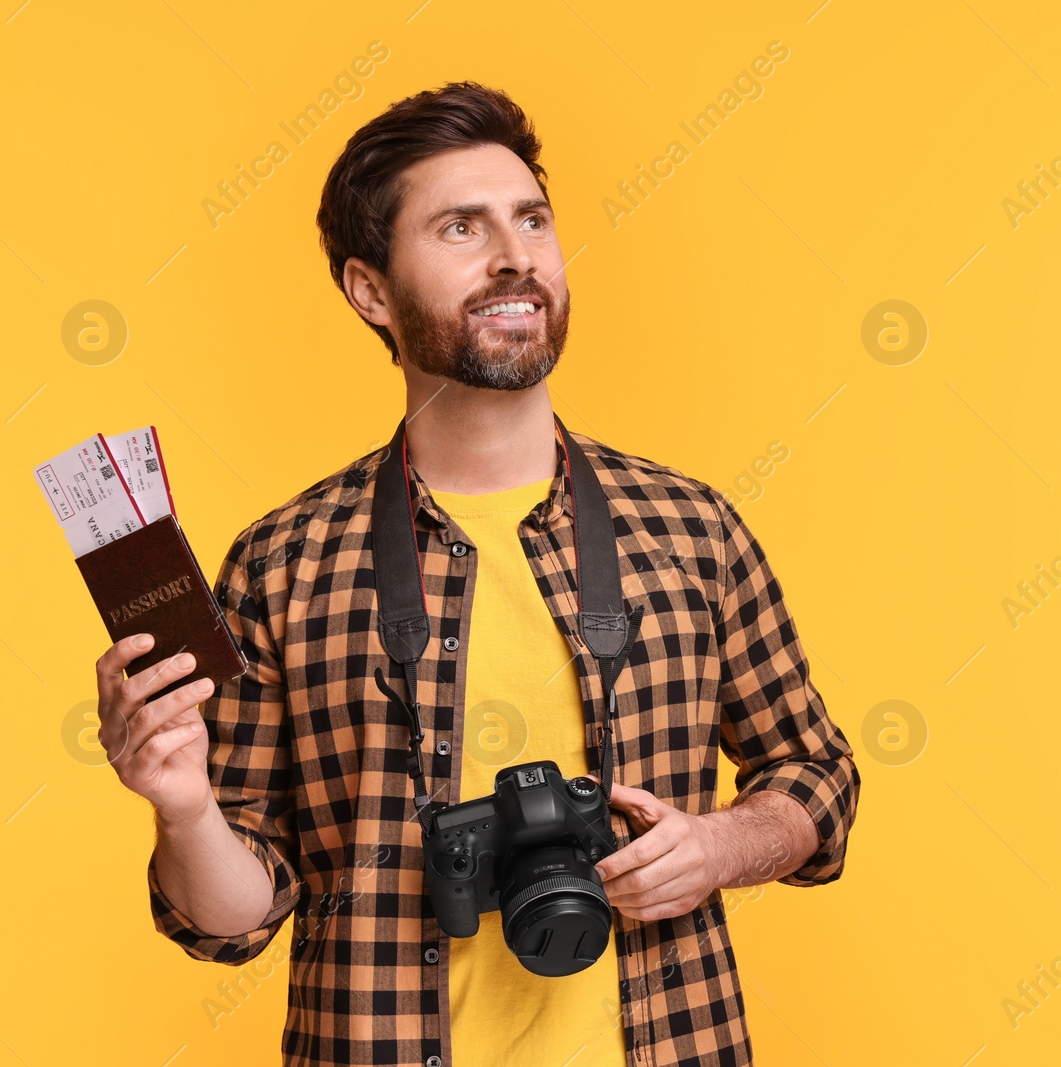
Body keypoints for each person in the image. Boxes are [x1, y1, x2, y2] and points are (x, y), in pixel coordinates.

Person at [92, 81, 859, 1067]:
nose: (515, 255)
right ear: (370, 289)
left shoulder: (690, 528)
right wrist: (184, 806)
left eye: (531, 219)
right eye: (460, 226)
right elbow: (231, 920)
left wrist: (717, 848)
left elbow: (818, 779)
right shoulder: (282, 563)